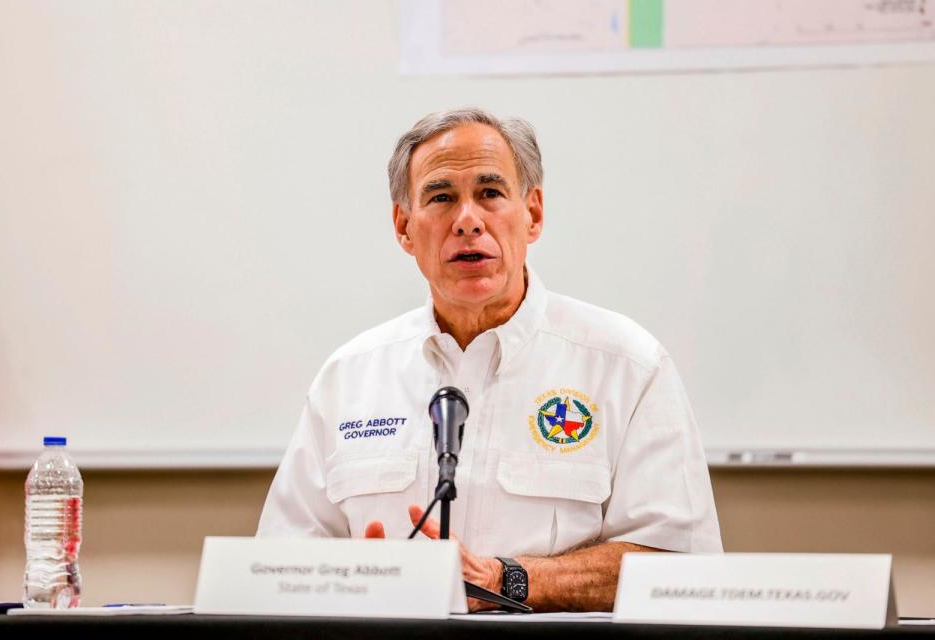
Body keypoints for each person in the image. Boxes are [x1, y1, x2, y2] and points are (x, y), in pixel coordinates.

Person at [257, 107, 722, 612]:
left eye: (490, 193)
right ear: (404, 227)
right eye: (440, 197)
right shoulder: (348, 377)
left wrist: (509, 580)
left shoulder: (627, 366)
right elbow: (281, 560)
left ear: (533, 214)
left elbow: (680, 564)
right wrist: (355, 579)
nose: (467, 221)